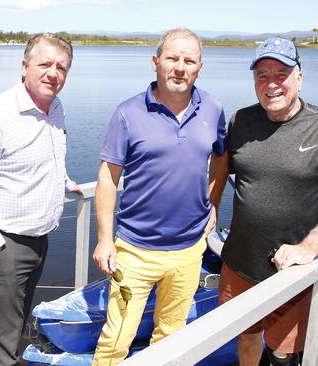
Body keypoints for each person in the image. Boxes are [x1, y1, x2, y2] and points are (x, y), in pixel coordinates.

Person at [219, 37, 318, 366]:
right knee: (245, 340)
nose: (271, 83)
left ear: (299, 77)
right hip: (239, 264)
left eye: (281, 73)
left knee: (283, 355)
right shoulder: (240, 122)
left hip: (292, 275)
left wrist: (309, 247)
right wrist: (205, 212)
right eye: (262, 75)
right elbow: (215, 170)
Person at [91, 28, 228, 365]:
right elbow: (108, 180)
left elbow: (222, 157)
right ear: (156, 62)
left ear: (199, 67)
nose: (180, 67)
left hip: (189, 248)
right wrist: (105, 239)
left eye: (189, 60)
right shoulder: (127, 113)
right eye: (172, 58)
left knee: (171, 335)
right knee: (117, 338)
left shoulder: (213, 108)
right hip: (135, 251)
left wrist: (214, 203)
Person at [0, 33, 81, 366]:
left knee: (15, 329)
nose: (53, 73)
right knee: (3, 346)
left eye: (62, 67)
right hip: (5, 244)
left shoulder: (55, 108)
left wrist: (66, 183)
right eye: (45, 64)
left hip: (39, 241)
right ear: (24, 66)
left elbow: (45, 158)